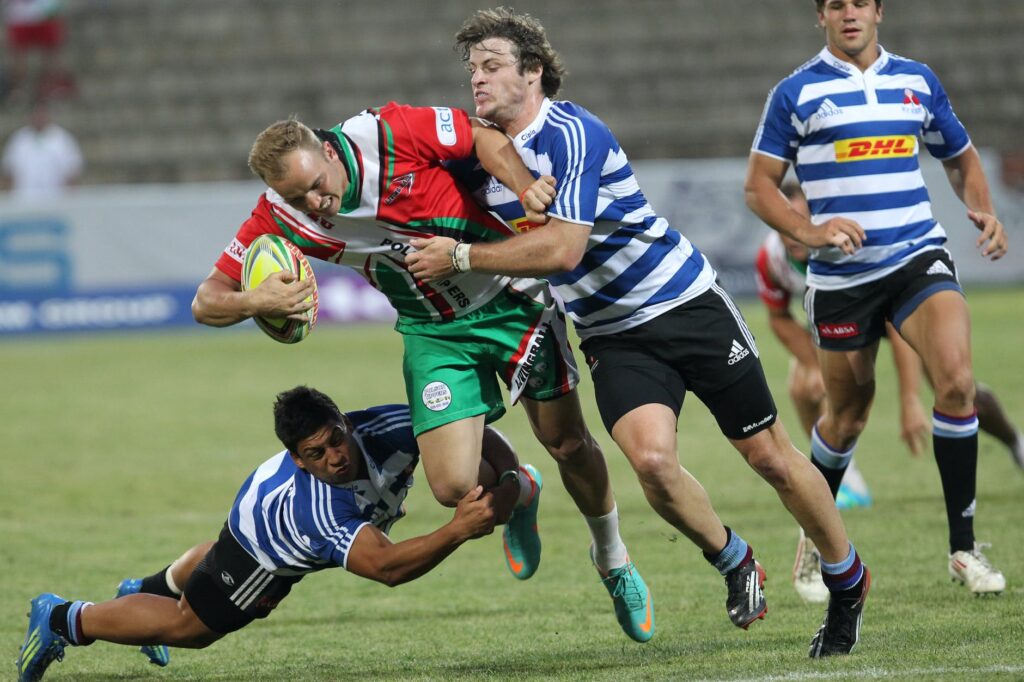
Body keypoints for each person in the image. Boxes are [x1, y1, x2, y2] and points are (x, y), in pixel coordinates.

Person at [405, 7, 870, 658]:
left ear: (533, 73)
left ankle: (847, 581)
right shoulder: (480, 158)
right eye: (471, 71)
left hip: (683, 303)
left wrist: (459, 258)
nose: (477, 81)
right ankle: (734, 558)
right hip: (611, 333)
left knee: (767, 456)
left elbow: (563, 251)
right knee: (652, 462)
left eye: (492, 67)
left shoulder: (571, 134)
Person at [192, 105, 653, 643]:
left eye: (317, 186)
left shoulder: (386, 132)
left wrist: (525, 187)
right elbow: (207, 302)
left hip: (510, 296)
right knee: (455, 486)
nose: (314, 204)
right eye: (298, 198)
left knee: (568, 443)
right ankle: (522, 491)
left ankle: (612, 557)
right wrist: (254, 299)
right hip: (433, 333)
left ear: (326, 148)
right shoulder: (278, 216)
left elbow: (479, 136)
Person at [745, 0, 1008, 597]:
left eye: (860, 2)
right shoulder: (795, 94)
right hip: (842, 280)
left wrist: (983, 208)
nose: (849, 13)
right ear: (822, 17)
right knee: (847, 417)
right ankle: (815, 542)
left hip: (916, 256)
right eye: (836, 5)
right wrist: (809, 233)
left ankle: (964, 549)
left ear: (879, 11)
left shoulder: (917, 81)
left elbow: (960, 155)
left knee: (958, 382)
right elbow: (758, 187)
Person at [15, 386, 509, 681]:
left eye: (336, 439)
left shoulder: (390, 424)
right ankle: (63, 618)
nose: (334, 457)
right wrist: (457, 529)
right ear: (298, 459)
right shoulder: (320, 509)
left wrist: (512, 475)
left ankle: (144, 592)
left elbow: (464, 429)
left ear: (344, 422)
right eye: (315, 454)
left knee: (209, 567)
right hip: (264, 545)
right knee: (192, 627)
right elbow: (386, 568)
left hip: (260, 501)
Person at [756, 182, 1024, 603]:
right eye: (791, 224)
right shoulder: (772, 257)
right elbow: (777, 318)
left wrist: (910, 402)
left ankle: (1014, 442)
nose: (798, 231)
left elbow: (897, 334)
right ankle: (833, 499)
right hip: (837, 312)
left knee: (956, 386)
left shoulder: (855, 236)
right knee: (811, 389)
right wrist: (810, 362)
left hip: (892, 315)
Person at [0, 98, 82, 198]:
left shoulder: (63, 139)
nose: (39, 118)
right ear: (30, 116)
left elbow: (72, 173)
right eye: (36, 114)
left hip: (56, 199)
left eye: (42, 114)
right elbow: (9, 173)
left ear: (48, 115)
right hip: (24, 199)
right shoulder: (18, 140)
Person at [1, 0, 75, 102]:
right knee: (19, 56)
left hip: (45, 13)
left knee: (50, 54)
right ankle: (19, 89)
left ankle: (49, 87)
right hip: (19, 16)